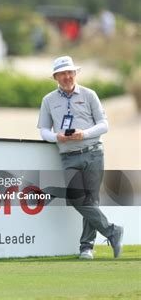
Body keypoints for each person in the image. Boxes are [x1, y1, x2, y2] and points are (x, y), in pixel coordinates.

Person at [37, 55, 124, 259]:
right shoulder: (48, 100)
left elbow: (104, 125)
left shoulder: (89, 94)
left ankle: (86, 247)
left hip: (93, 152)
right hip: (69, 156)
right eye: (62, 73)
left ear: (75, 73)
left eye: (70, 72)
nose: (67, 76)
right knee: (76, 197)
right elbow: (43, 130)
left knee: (91, 200)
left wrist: (83, 134)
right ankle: (112, 231)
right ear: (56, 77)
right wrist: (56, 137)